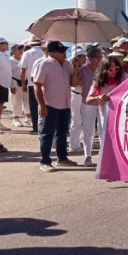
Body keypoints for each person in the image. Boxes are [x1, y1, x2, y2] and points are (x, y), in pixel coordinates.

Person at [33, 41, 78, 171]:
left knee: (62, 133)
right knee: (47, 134)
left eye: (64, 50)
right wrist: (41, 105)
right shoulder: (44, 64)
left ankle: (62, 158)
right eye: (61, 51)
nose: (64, 53)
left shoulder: (67, 64)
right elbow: (37, 84)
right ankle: (45, 161)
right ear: (52, 53)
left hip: (65, 104)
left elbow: (73, 83)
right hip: (50, 104)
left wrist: (76, 68)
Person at [85, 56, 127, 146]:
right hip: (106, 115)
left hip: (121, 114)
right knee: (108, 141)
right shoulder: (98, 81)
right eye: (110, 69)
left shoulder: (123, 77)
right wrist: (99, 98)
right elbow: (88, 100)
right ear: (104, 69)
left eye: (116, 68)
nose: (114, 72)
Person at [74, 47, 103, 166]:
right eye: (97, 57)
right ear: (89, 58)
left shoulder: (104, 69)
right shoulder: (83, 70)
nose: (99, 59)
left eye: (101, 57)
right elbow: (74, 83)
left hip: (102, 103)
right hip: (88, 103)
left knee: (103, 130)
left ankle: (103, 156)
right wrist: (76, 68)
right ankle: (88, 155)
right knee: (88, 130)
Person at [20, 36, 45, 133]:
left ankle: (36, 127)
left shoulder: (27, 53)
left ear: (30, 44)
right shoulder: (44, 52)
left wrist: (23, 83)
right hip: (44, 82)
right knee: (43, 104)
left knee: (33, 106)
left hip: (31, 83)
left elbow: (23, 70)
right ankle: (43, 126)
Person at [68, 49, 88, 153]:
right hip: (76, 95)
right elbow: (74, 83)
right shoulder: (71, 69)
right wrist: (76, 68)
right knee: (76, 120)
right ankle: (73, 144)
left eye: (85, 56)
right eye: (82, 57)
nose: (85, 58)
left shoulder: (86, 68)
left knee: (84, 121)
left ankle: (82, 141)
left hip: (84, 96)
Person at [9, 44, 26, 127]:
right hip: (15, 81)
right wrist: (11, 85)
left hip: (25, 81)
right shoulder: (10, 61)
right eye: (18, 49)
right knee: (16, 101)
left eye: (21, 49)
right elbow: (9, 74)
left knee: (27, 100)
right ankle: (15, 119)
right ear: (13, 51)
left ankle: (28, 117)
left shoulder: (23, 59)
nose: (20, 50)